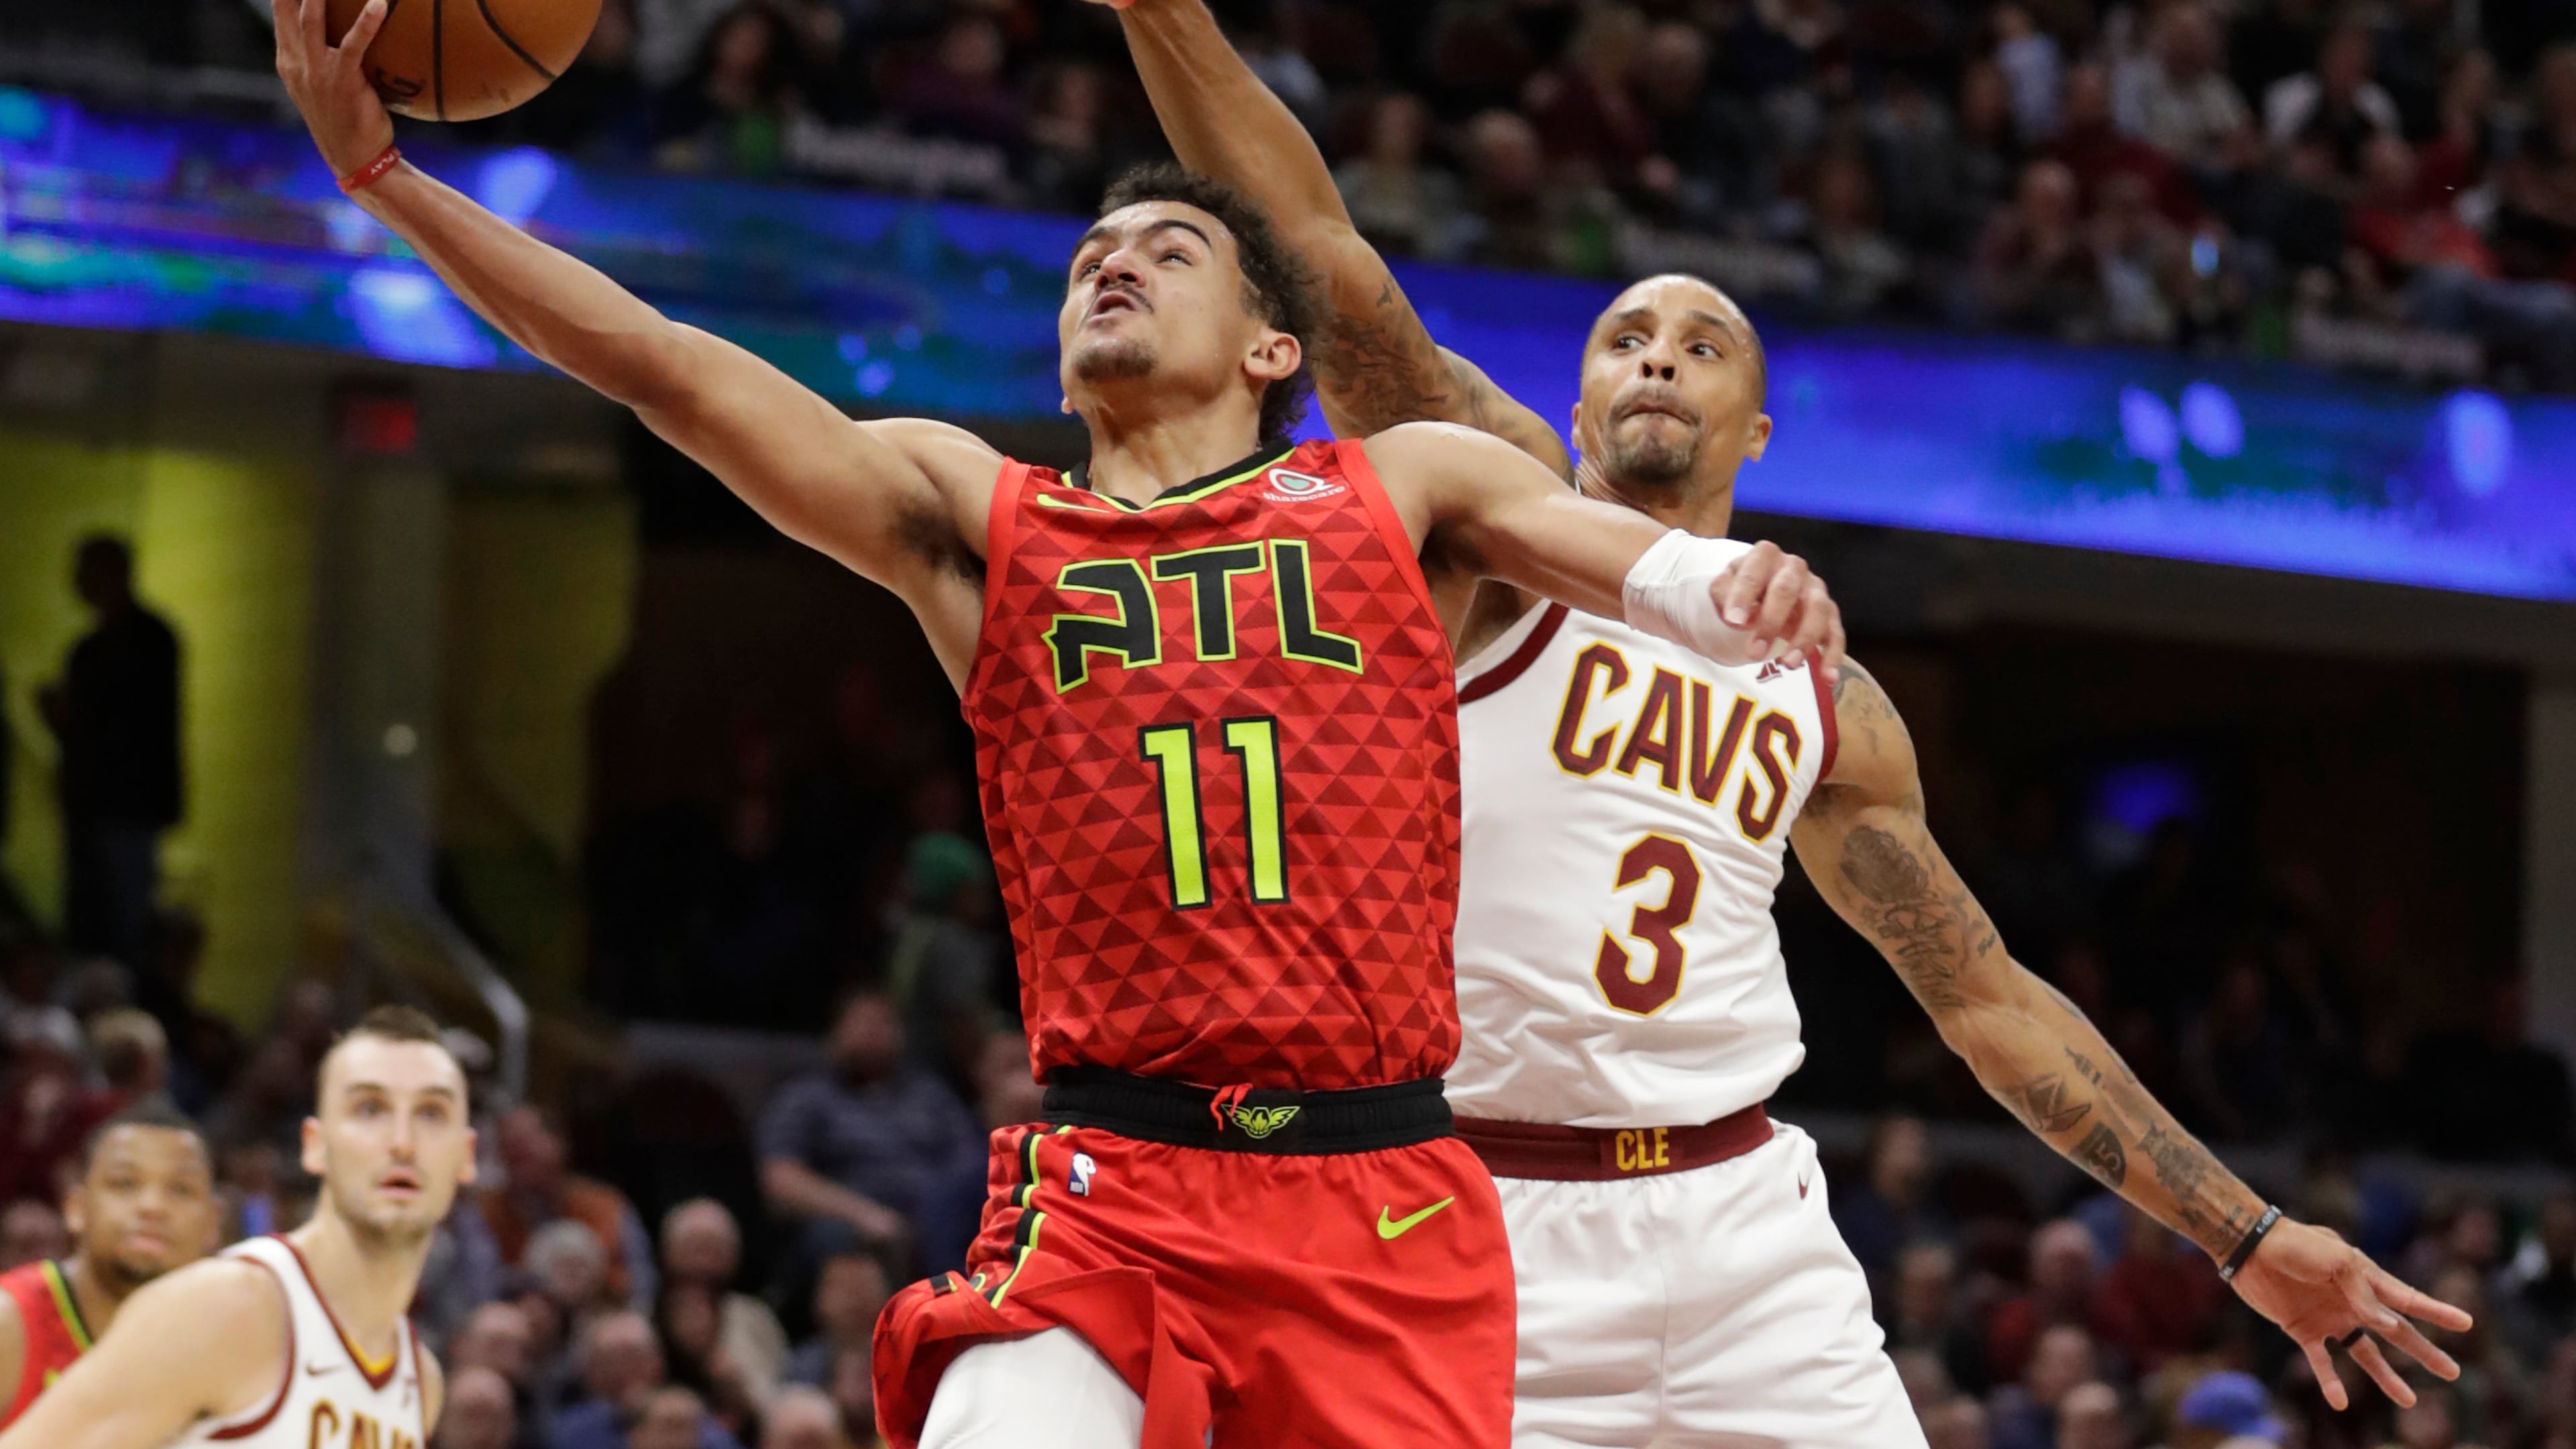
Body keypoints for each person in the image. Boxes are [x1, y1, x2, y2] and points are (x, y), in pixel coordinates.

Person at [276, 0, 1843, 1441]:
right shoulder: (984, 521)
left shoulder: (1399, 490)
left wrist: (1732, 590)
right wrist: (389, 186)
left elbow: (1620, 553)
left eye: (1168, 249)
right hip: (1115, 1185)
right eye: (1094, 251)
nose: (1115, 261)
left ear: (1266, 346)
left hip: (1385, 1200)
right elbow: (668, 373)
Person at [1102, 3, 2474, 1444]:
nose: (1657, 359)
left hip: (1745, 1226)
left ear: (1754, 428)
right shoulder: (1491, 542)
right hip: (1482, 1208)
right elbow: (1322, 256)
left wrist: (2244, 1236)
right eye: (1626, 337)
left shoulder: (1823, 693)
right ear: (1571, 404)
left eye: (1703, 344)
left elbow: (1987, 1001)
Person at [0, 1005, 470, 1448]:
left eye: (432, 1112)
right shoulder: (228, 1308)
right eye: (370, 1109)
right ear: (314, 1146)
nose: (403, 1143)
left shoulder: (421, 1382)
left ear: (468, 1155)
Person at [0, 1104, 221, 1427]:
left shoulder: (229, 1344)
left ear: (212, 1224)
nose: (153, 1206)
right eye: (125, 1183)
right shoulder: (11, 1323)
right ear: (75, 1207)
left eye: (180, 1189)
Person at [36, 535, 182, 969]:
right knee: (90, 921)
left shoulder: (147, 641)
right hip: (91, 803)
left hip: (127, 805)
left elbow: (126, 720)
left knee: (124, 926)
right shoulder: (91, 648)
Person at [757, 990, 984, 1263]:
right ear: (834, 1034)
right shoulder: (806, 1097)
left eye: (884, 1023)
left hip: (933, 1219)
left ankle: (964, 1302)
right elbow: (782, 1180)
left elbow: (971, 1164)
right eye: (863, 1022)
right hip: (852, 1222)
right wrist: (864, 1215)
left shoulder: (932, 1096)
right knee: (834, 1238)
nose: (874, 1032)